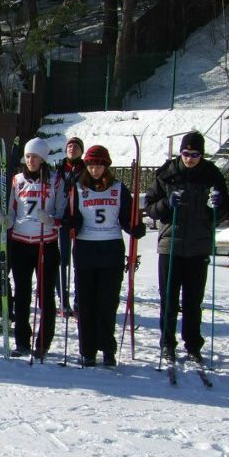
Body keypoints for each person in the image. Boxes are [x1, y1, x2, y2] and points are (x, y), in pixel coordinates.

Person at [142, 131, 229, 364]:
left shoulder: (211, 174)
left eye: (195, 154)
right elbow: (149, 207)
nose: (190, 158)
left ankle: (193, 344)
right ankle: (167, 343)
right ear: (179, 152)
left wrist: (217, 206)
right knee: (168, 298)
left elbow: (222, 211)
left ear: (202, 154)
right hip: (170, 244)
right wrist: (166, 204)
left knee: (193, 301)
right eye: (186, 153)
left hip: (198, 245)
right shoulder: (167, 173)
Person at [60, 145, 145, 367]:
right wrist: (71, 223)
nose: (94, 169)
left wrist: (135, 227)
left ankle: (108, 348)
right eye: (90, 165)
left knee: (107, 303)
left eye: (98, 164)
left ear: (106, 166)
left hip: (111, 249)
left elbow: (127, 217)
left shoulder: (118, 188)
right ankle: (87, 350)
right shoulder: (78, 188)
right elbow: (73, 216)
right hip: (86, 248)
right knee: (86, 303)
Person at [6, 137, 67, 359]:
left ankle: (43, 342)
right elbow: (12, 210)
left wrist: (51, 220)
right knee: (22, 294)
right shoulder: (17, 180)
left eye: (35, 157)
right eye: (28, 156)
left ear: (43, 158)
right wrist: (7, 220)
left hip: (46, 244)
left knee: (45, 295)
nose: (31, 160)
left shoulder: (55, 181)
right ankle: (21, 340)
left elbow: (62, 212)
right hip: (21, 243)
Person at [54, 136, 84, 315]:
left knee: (79, 261)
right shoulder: (58, 170)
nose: (72, 149)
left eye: (76, 146)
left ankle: (79, 301)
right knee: (62, 261)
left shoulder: (86, 170)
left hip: (80, 221)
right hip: (62, 221)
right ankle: (63, 299)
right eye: (70, 146)